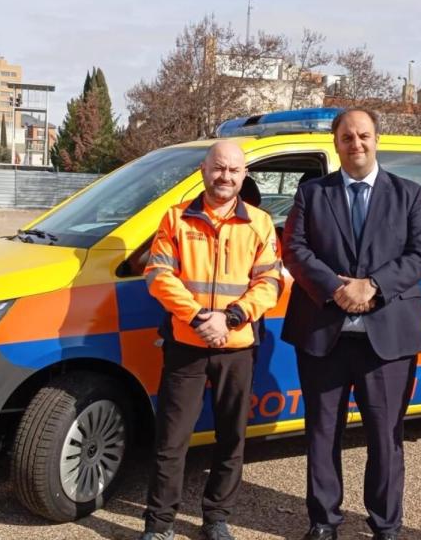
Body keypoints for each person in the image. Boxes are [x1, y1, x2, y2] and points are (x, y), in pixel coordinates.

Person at [281, 108, 421, 540]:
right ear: (336, 143)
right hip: (322, 335)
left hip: (387, 339)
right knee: (321, 433)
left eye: (363, 135)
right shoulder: (311, 194)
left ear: (377, 139)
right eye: (347, 137)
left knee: (385, 437)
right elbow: (294, 249)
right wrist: (336, 289)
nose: (356, 144)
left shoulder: (409, 194)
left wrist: (373, 286)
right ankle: (323, 521)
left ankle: (385, 525)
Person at [139, 140, 282, 540]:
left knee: (231, 438)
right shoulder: (175, 218)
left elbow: (269, 282)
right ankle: (160, 524)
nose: (225, 176)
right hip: (186, 343)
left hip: (237, 346)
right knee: (171, 440)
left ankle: (217, 518)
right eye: (219, 168)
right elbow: (158, 275)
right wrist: (199, 317)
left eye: (234, 170)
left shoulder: (259, 223)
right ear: (203, 170)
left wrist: (231, 317)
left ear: (244, 176)